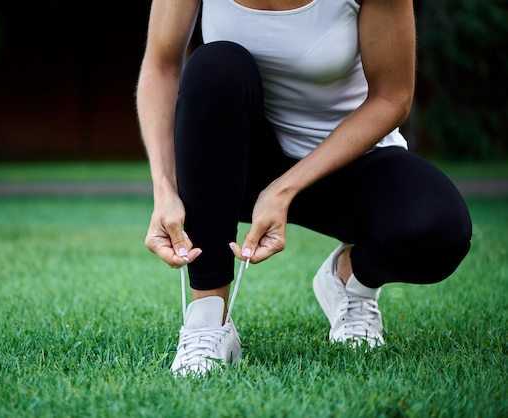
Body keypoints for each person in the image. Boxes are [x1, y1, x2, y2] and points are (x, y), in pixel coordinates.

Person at [135, 0, 472, 376]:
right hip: (239, 162)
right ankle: (208, 321)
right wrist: (165, 188)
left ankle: (351, 280)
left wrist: (284, 189)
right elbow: (163, 65)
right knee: (215, 66)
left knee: (441, 231)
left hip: (345, 161)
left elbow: (391, 98)